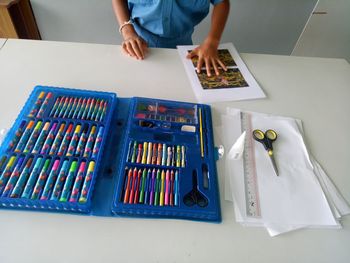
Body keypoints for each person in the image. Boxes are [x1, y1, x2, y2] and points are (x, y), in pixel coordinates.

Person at [112, 0, 230, 76]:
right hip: (137, 43)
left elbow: (221, 2)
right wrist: (127, 31)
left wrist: (212, 41)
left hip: (182, 46)